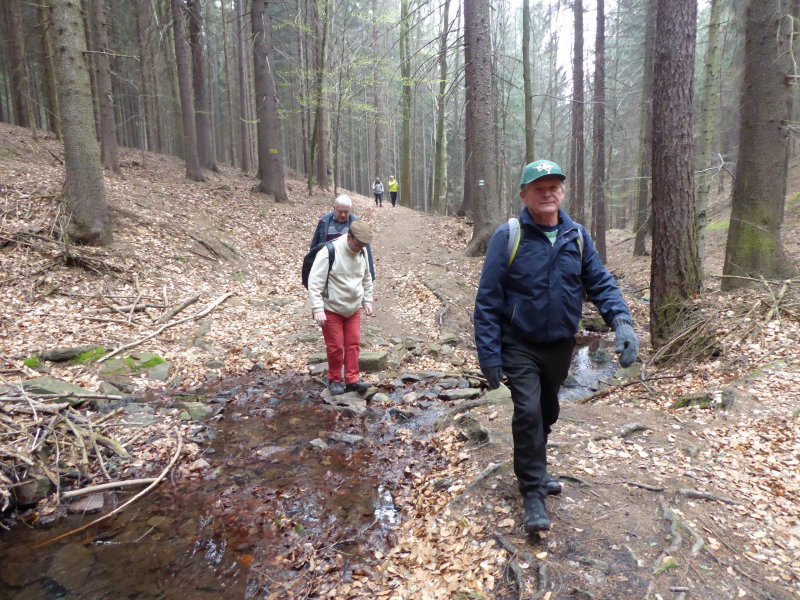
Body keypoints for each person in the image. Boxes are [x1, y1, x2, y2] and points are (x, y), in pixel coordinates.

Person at [473, 159, 639, 534]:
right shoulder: (509, 236)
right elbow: (488, 299)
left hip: (561, 344)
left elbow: (600, 283)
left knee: (547, 411)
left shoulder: (577, 236)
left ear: (562, 192)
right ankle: (532, 491)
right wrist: (489, 354)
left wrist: (622, 322)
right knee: (528, 411)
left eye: (554, 187)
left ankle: (538, 465)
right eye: (539, 188)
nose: (548, 193)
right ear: (524, 194)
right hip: (519, 343)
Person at [308, 220, 374, 396]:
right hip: (331, 308)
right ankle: (334, 379)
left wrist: (367, 300)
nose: (360, 248)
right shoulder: (329, 251)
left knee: (353, 344)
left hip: (353, 308)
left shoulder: (363, 251)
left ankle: (352, 380)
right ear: (349, 237)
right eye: (358, 244)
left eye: (363, 246)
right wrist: (317, 308)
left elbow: (367, 277)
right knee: (336, 346)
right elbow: (314, 282)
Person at [310, 194, 375, 281]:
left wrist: (370, 275)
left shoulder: (357, 224)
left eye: (346, 212)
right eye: (340, 211)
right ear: (334, 208)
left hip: (351, 268)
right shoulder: (324, 222)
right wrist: (311, 270)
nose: (343, 215)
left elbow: (365, 250)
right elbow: (315, 246)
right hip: (328, 267)